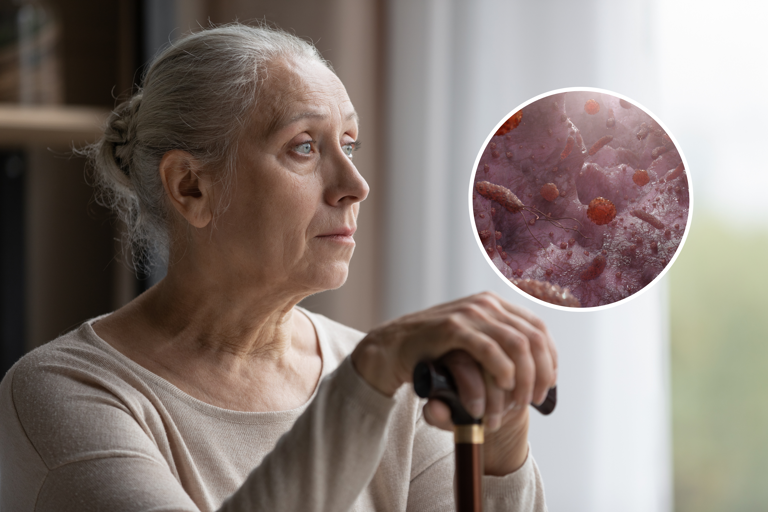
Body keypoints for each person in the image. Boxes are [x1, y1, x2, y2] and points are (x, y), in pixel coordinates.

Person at [0, 23, 557, 511]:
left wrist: (500, 454)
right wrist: (366, 382)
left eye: (349, 143)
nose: (354, 186)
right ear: (191, 187)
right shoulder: (64, 393)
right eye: (304, 147)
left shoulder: (395, 385)